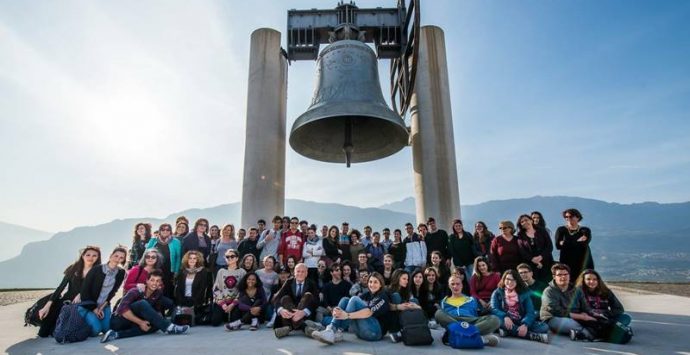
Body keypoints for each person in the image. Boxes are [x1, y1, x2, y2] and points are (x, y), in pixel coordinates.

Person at [101, 270, 189, 342]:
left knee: (156, 325)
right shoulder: (136, 291)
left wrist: (159, 318)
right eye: (152, 280)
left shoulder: (157, 293)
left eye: (158, 281)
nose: (154, 283)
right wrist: (141, 322)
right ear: (146, 281)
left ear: (160, 283)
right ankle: (169, 328)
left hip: (132, 323)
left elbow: (155, 310)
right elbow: (122, 310)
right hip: (119, 321)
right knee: (142, 303)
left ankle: (116, 335)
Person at [311, 272, 392, 344]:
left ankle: (337, 331)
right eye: (370, 282)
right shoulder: (368, 294)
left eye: (375, 282)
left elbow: (368, 312)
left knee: (354, 299)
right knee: (345, 300)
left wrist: (347, 315)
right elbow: (350, 304)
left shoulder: (382, 296)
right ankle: (332, 330)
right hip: (360, 331)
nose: (372, 285)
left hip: (374, 333)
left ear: (381, 284)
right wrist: (338, 309)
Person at [38, 246, 101, 337]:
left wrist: (81, 294)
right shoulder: (73, 268)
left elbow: (95, 290)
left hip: (83, 303)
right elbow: (61, 287)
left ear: (98, 258)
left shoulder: (97, 272)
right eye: (88, 255)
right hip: (66, 301)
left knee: (63, 330)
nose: (91, 258)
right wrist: (47, 306)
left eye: (94, 255)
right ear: (82, 256)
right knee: (43, 333)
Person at [435, 274, 500, 347]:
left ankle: (457, 335)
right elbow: (443, 317)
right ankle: (478, 338)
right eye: (452, 284)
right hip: (453, 319)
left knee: (495, 319)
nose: (455, 286)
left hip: (470, 321)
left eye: (458, 284)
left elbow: (477, 313)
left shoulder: (471, 299)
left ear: (462, 285)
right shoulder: (444, 301)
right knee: (438, 313)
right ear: (449, 286)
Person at [490, 270, 550, 343]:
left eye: (513, 280)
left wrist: (525, 324)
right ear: (504, 279)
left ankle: (509, 331)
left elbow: (530, 312)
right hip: (505, 319)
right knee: (497, 320)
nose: (510, 282)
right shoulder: (497, 292)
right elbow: (494, 308)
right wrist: (505, 316)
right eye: (508, 279)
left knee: (544, 327)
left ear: (517, 281)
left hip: (520, 319)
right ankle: (531, 336)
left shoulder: (524, 293)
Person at [79, 246, 127, 337]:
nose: (118, 259)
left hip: (104, 305)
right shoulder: (96, 269)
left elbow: (114, 291)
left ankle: (94, 320)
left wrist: (103, 306)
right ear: (111, 256)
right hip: (89, 305)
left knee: (106, 329)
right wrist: (95, 309)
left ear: (123, 260)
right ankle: (84, 321)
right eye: (116, 256)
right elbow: (84, 291)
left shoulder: (121, 272)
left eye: (121, 258)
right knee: (96, 331)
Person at [540, 263, 595, 341]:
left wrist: (593, 314)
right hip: (554, 318)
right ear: (554, 277)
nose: (563, 277)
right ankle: (586, 333)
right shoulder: (549, 291)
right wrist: (582, 317)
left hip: (576, 317)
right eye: (559, 275)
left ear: (569, 276)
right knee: (569, 323)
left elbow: (585, 307)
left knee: (596, 321)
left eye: (566, 274)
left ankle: (580, 334)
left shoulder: (577, 290)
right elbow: (556, 311)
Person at [576, 269, 633, 341]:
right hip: (588, 318)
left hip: (605, 318)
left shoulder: (606, 292)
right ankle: (613, 330)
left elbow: (619, 308)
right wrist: (592, 314)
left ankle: (608, 330)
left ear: (598, 280)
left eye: (595, 279)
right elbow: (576, 309)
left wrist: (605, 314)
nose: (592, 282)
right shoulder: (578, 292)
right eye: (588, 279)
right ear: (583, 280)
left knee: (626, 317)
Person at [272, 263, 319, 338]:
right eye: (298, 271)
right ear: (294, 273)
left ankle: (288, 328)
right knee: (285, 298)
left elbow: (317, 301)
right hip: (289, 312)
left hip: (304, 315)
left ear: (306, 273)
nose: (300, 273)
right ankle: (304, 328)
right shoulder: (289, 282)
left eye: (303, 271)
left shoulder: (311, 283)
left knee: (308, 295)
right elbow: (276, 298)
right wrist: (281, 310)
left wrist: (304, 312)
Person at [555, 208, 594, 280]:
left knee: (584, 281)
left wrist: (565, 243)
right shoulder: (561, 230)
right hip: (566, 259)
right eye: (566, 217)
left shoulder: (585, 230)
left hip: (582, 259)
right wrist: (577, 241)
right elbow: (558, 245)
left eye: (571, 216)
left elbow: (584, 244)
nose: (568, 218)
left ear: (578, 217)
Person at [211, 249, 247, 326]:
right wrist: (223, 304)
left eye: (232, 256)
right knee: (215, 322)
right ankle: (225, 314)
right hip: (223, 301)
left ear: (237, 258)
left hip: (236, 302)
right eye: (227, 257)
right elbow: (216, 288)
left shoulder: (242, 272)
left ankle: (229, 314)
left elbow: (244, 290)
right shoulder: (221, 271)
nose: (229, 258)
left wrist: (233, 304)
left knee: (234, 321)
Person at [146, 223, 181, 300]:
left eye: (168, 229)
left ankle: (166, 308)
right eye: (163, 229)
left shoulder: (176, 242)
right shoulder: (153, 240)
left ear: (170, 231)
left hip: (169, 271)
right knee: (153, 289)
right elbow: (146, 254)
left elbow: (178, 257)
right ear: (159, 231)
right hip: (154, 269)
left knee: (167, 290)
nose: (165, 231)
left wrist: (176, 271)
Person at [517, 214, 554, 283]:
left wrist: (541, 257)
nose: (524, 222)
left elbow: (549, 246)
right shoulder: (520, 235)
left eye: (526, 220)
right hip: (531, 264)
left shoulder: (542, 231)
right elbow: (522, 251)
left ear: (531, 220)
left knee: (548, 282)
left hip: (546, 261)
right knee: (535, 284)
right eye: (522, 222)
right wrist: (533, 259)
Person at [386, 269, 421, 342]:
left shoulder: (406, 291)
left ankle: (413, 329)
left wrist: (416, 306)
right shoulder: (387, 290)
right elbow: (385, 306)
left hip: (403, 316)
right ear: (397, 278)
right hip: (390, 317)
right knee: (396, 296)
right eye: (404, 279)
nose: (407, 281)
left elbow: (412, 304)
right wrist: (398, 306)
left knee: (415, 301)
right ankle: (394, 331)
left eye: (407, 279)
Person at [174, 251, 211, 319]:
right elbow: (178, 289)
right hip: (183, 300)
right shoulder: (182, 271)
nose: (192, 260)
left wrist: (193, 303)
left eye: (194, 258)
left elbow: (202, 289)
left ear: (198, 260)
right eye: (190, 258)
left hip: (196, 302)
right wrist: (181, 302)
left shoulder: (203, 272)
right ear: (187, 260)